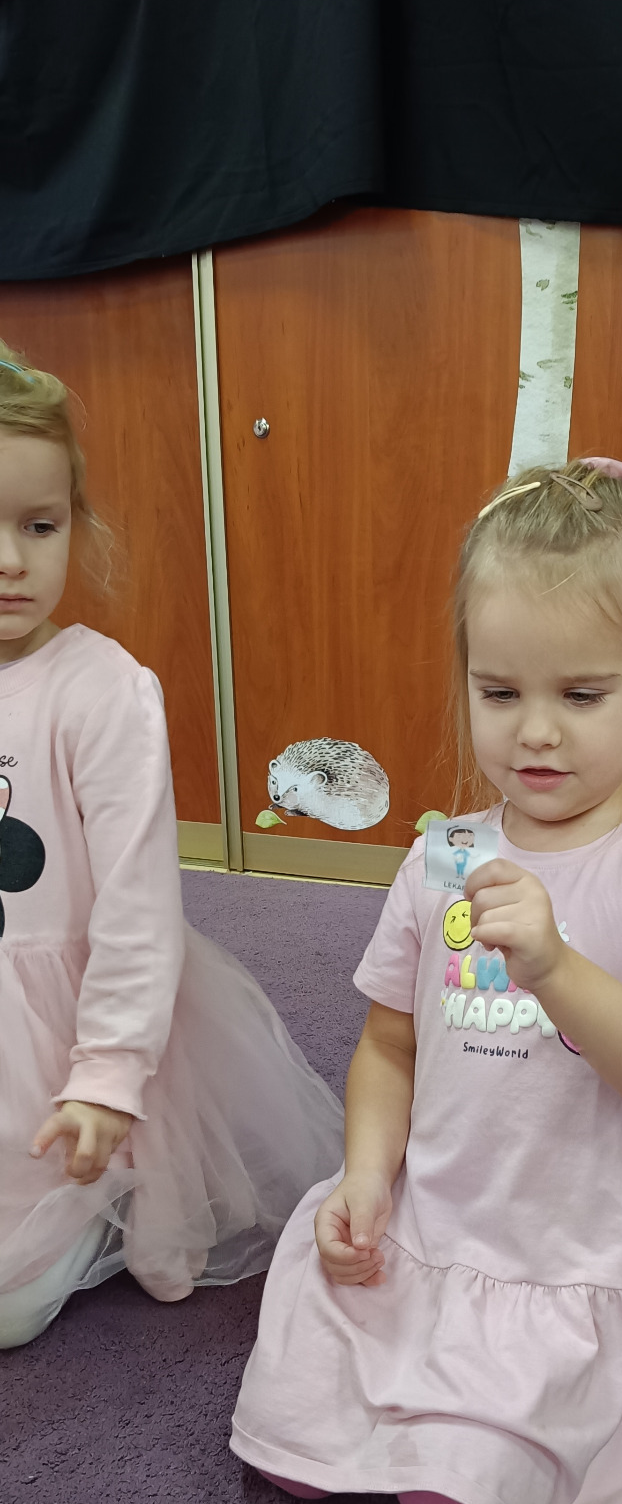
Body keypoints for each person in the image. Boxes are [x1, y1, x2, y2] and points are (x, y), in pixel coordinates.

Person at [230, 456, 622, 1504]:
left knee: (459, 1502)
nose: (535, 734)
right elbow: (389, 1045)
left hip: (563, 1261)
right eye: (500, 694)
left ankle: (476, 1423)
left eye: (581, 695)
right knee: (289, 1435)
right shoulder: (443, 856)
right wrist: (366, 1177)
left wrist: (557, 967)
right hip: (426, 1231)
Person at [0, 343, 344, 1348]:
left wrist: (107, 1077)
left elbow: (139, 908)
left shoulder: (102, 691)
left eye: (39, 525)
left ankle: (106, 1200)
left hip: (76, 1026)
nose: (12, 559)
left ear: (76, 523)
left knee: (10, 1310)